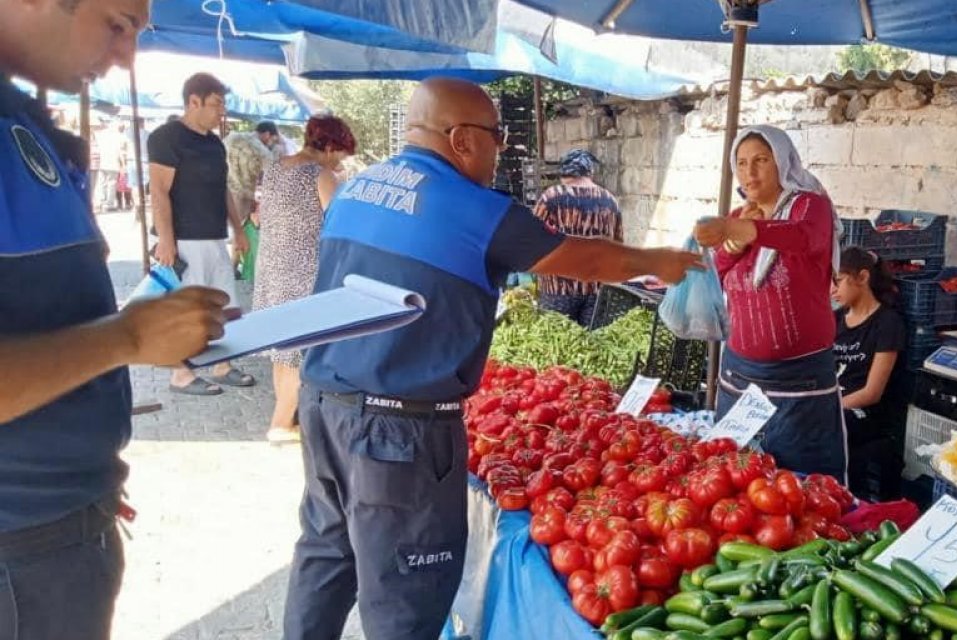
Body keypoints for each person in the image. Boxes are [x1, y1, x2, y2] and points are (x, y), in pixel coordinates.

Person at [282, 77, 700, 640]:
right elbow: (589, 262)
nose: (499, 148)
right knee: (405, 591)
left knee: (326, 555)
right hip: (399, 432)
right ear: (460, 139)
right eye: (496, 136)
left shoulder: (355, 190)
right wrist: (662, 261)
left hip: (323, 406)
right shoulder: (475, 209)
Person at [0, 1, 233, 637]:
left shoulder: (22, 119)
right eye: (118, 23)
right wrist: (127, 337)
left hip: (60, 533)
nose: (127, 53)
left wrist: (142, 323)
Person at [692, 124, 847, 480]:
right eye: (743, 163)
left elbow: (802, 237)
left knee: (804, 487)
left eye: (761, 160)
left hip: (799, 381)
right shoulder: (736, 217)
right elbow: (715, 270)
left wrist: (747, 233)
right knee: (737, 480)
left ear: (782, 162)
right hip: (738, 374)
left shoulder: (810, 206)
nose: (750, 172)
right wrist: (734, 240)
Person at [149, 72, 256, 395]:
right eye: (216, 104)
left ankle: (223, 364)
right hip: (183, 240)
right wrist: (167, 240)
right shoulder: (166, 137)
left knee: (224, 303)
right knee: (189, 308)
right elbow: (158, 191)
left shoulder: (213, 143)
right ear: (194, 101)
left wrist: (238, 229)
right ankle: (180, 373)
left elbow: (222, 188)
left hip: (213, 236)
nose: (221, 111)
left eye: (222, 104)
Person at [253, 115, 357, 444]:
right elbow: (341, 220)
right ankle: (281, 424)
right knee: (300, 352)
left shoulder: (276, 167)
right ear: (327, 146)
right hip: (302, 271)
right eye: (339, 153)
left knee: (281, 350)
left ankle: (282, 417)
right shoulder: (319, 174)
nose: (340, 160)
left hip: (271, 267)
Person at [831, 246, 909, 498]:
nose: (832, 290)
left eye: (838, 281)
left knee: (829, 429)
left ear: (862, 278)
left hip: (868, 414)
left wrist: (828, 408)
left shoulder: (888, 323)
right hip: (836, 403)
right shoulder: (834, 320)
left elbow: (872, 392)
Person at [531, 149, 624, 326]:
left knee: (556, 345)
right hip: (597, 289)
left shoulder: (551, 197)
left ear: (564, 172)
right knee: (592, 346)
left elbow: (532, 239)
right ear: (589, 172)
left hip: (557, 288)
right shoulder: (610, 201)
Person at [224, 120, 279, 227]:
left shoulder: (230, 138)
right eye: (272, 139)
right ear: (267, 135)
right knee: (238, 232)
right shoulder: (260, 149)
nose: (271, 143)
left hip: (221, 191)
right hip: (241, 198)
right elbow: (274, 170)